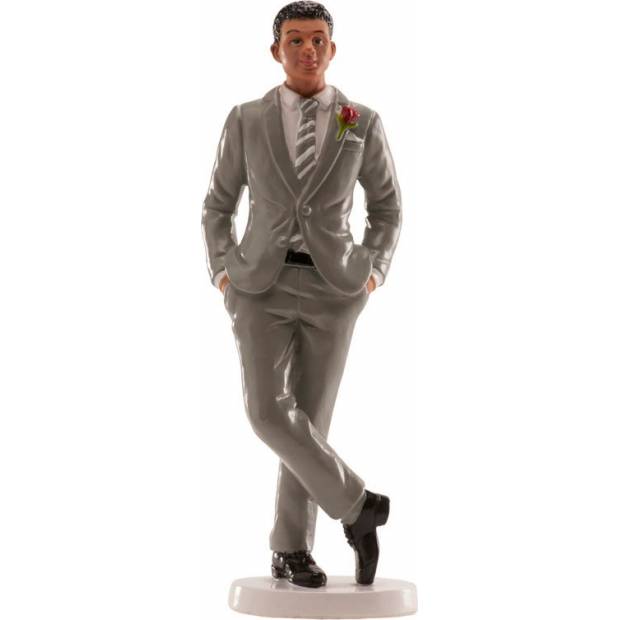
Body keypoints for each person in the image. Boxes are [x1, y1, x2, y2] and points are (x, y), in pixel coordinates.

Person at [201, 1, 401, 588]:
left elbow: (387, 207)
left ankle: (290, 550)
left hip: (335, 288)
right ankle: (359, 506)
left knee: (310, 422)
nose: (308, 49)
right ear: (276, 50)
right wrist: (223, 271)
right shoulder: (245, 119)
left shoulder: (359, 121)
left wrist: (372, 272)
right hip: (257, 286)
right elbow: (217, 205)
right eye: (295, 39)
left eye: (318, 39)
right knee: (267, 412)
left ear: (332, 49)